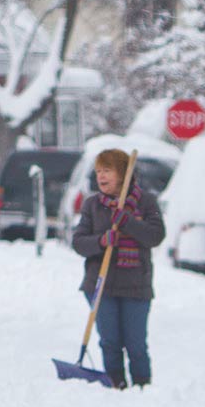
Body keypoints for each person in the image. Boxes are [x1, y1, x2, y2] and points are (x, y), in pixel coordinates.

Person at [69, 149, 166, 390]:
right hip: (101, 285)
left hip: (136, 284)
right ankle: (115, 383)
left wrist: (128, 222)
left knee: (135, 343)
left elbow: (155, 236)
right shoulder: (92, 205)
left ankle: (142, 385)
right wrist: (101, 241)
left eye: (107, 170)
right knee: (110, 341)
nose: (101, 176)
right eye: (99, 171)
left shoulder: (146, 202)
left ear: (123, 173)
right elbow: (79, 242)